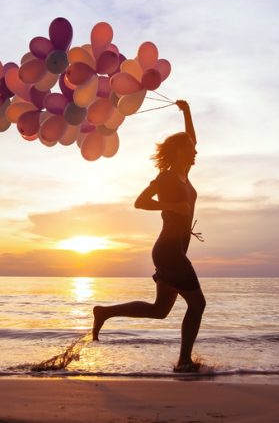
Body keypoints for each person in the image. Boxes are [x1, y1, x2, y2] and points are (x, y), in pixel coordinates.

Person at [92, 100, 205, 372]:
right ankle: (184, 362)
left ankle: (104, 312)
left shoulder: (183, 173)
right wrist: (172, 206)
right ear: (179, 152)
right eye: (190, 150)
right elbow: (140, 201)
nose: (195, 153)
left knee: (160, 310)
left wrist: (187, 111)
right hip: (169, 251)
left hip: (175, 250)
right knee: (198, 304)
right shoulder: (166, 178)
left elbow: (192, 139)